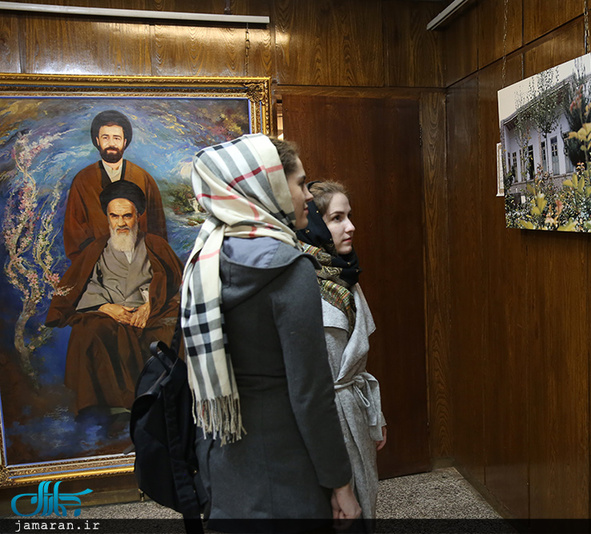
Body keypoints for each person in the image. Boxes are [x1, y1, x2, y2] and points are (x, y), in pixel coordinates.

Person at [183, 134, 361, 531]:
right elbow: (311, 394)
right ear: (271, 188)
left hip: (222, 461)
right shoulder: (287, 267)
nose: (309, 197)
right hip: (285, 470)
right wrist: (341, 483)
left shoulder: (204, 259)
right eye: (299, 184)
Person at [46, 180, 183, 433]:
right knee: (90, 330)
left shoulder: (155, 244)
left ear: (138, 217)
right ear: (107, 217)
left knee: (173, 327)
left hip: (151, 312)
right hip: (110, 313)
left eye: (127, 216)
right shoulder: (96, 250)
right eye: (114, 216)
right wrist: (106, 307)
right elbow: (83, 288)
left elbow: (176, 282)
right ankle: (110, 407)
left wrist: (150, 304)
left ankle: (168, 402)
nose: (121, 223)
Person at [296, 181, 387, 523]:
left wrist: (375, 416)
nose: (350, 227)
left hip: (352, 408)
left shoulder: (345, 277)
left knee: (363, 504)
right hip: (325, 425)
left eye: (349, 216)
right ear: (314, 224)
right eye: (337, 218)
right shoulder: (300, 283)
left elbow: (356, 365)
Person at [63, 110, 168, 262]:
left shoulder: (143, 178)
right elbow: (75, 232)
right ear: (97, 140)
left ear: (125, 142)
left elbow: (157, 227)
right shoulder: (83, 180)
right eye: (105, 138)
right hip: (97, 263)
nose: (111, 143)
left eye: (116, 138)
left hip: (140, 262)